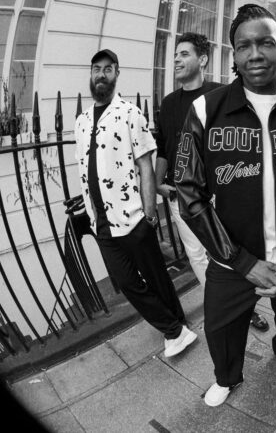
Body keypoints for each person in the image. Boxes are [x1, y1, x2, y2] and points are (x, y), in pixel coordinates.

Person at [173, 4, 276, 407]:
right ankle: (227, 377)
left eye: (265, 43)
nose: (255, 54)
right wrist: (241, 261)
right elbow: (188, 192)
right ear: (234, 55)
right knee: (221, 327)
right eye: (244, 46)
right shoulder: (206, 110)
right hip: (232, 258)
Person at [74, 49, 197, 359]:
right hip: (101, 222)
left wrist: (149, 213)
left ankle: (178, 326)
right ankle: (175, 330)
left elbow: (145, 166)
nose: (101, 74)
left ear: (117, 74)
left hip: (132, 216)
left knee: (157, 277)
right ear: (91, 74)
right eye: (96, 69)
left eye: (108, 69)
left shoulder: (130, 113)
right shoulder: (81, 121)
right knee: (128, 282)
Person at [155, 33, 269, 332]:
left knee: (230, 249)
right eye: (175, 55)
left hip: (219, 191)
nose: (176, 59)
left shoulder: (219, 96)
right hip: (180, 194)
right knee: (196, 254)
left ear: (202, 59)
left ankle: (246, 305)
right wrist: (156, 184)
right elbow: (163, 147)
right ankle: (224, 305)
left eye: (184, 54)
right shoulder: (169, 103)